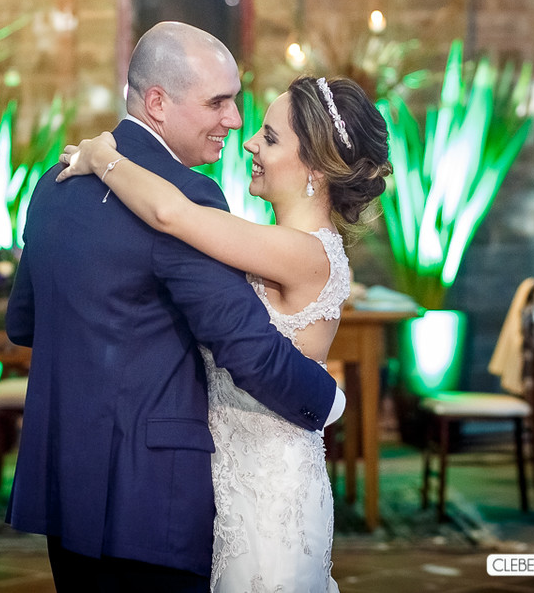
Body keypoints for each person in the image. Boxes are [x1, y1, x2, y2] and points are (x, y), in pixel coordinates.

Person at [5, 21, 345, 592]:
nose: (234, 121)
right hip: (152, 496)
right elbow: (248, 350)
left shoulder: (53, 183)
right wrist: (327, 402)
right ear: (158, 103)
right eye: (219, 102)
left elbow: (23, 322)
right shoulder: (189, 196)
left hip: (65, 486)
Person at [58, 73, 392, 592]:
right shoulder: (276, 242)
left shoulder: (306, 253)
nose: (250, 142)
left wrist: (105, 157)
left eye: (271, 138)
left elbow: (171, 214)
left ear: (318, 169)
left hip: (270, 492)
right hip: (229, 479)